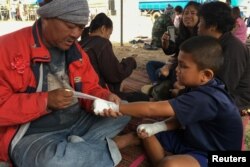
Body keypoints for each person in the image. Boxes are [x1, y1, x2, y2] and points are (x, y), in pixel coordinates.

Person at [0, 0, 138, 166]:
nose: (76, 34)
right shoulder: (7, 48)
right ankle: (112, 145)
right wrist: (45, 101)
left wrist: (103, 97)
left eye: (80, 27)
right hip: (33, 135)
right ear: (46, 17)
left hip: (77, 122)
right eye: (70, 25)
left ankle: (75, 149)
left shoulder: (75, 50)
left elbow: (90, 86)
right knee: (53, 163)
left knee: (124, 109)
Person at [93, 36, 243, 167]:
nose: (177, 70)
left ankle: (162, 161)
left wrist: (115, 106)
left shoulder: (207, 98)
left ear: (206, 75)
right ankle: (129, 145)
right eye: (178, 63)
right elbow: (179, 118)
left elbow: (152, 108)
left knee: (169, 164)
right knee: (146, 127)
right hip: (190, 140)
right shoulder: (198, 86)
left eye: (183, 66)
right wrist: (157, 127)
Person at [79, 13, 149, 102]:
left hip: (83, 90)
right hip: (97, 94)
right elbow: (116, 74)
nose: (108, 37)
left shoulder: (81, 43)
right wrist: (131, 61)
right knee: (143, 98)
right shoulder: (102, 43)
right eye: (109, 34)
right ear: (103, 29)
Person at [198, 1, 250, 114]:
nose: (198, 25)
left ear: (212, 26)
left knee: (192, 101)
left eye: (201, 21)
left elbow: (223, 87)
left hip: (236, 99)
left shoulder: (233, 48)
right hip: (219, 91)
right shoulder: (216, 43)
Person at [142, 1, 201, 100]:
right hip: (175, 65)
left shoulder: (200, 36)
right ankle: (157, 85)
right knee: (151, 64)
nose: (188, 16)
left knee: (160, 73)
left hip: (183, 70)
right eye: (186, 13)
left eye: (192, 13)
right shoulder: (182, 33)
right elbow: (171, 51)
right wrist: (165, 43)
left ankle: (159, 85)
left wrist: (169, 66)